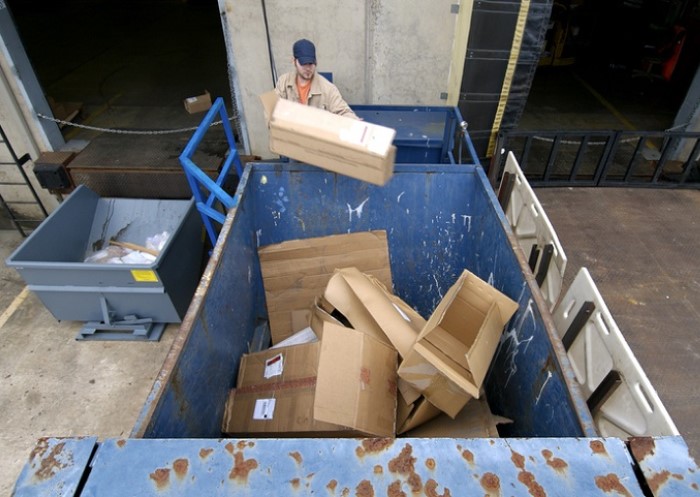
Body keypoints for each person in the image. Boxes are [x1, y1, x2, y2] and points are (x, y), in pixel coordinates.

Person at [275, 39, 359, 119]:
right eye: (304, 64)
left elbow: (343, 111)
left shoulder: (328, 88)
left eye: (311, 63)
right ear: (294, 61)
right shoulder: (283, 82)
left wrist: (354, 122)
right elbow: (272, 109)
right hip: (290, 131)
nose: (308, 68)